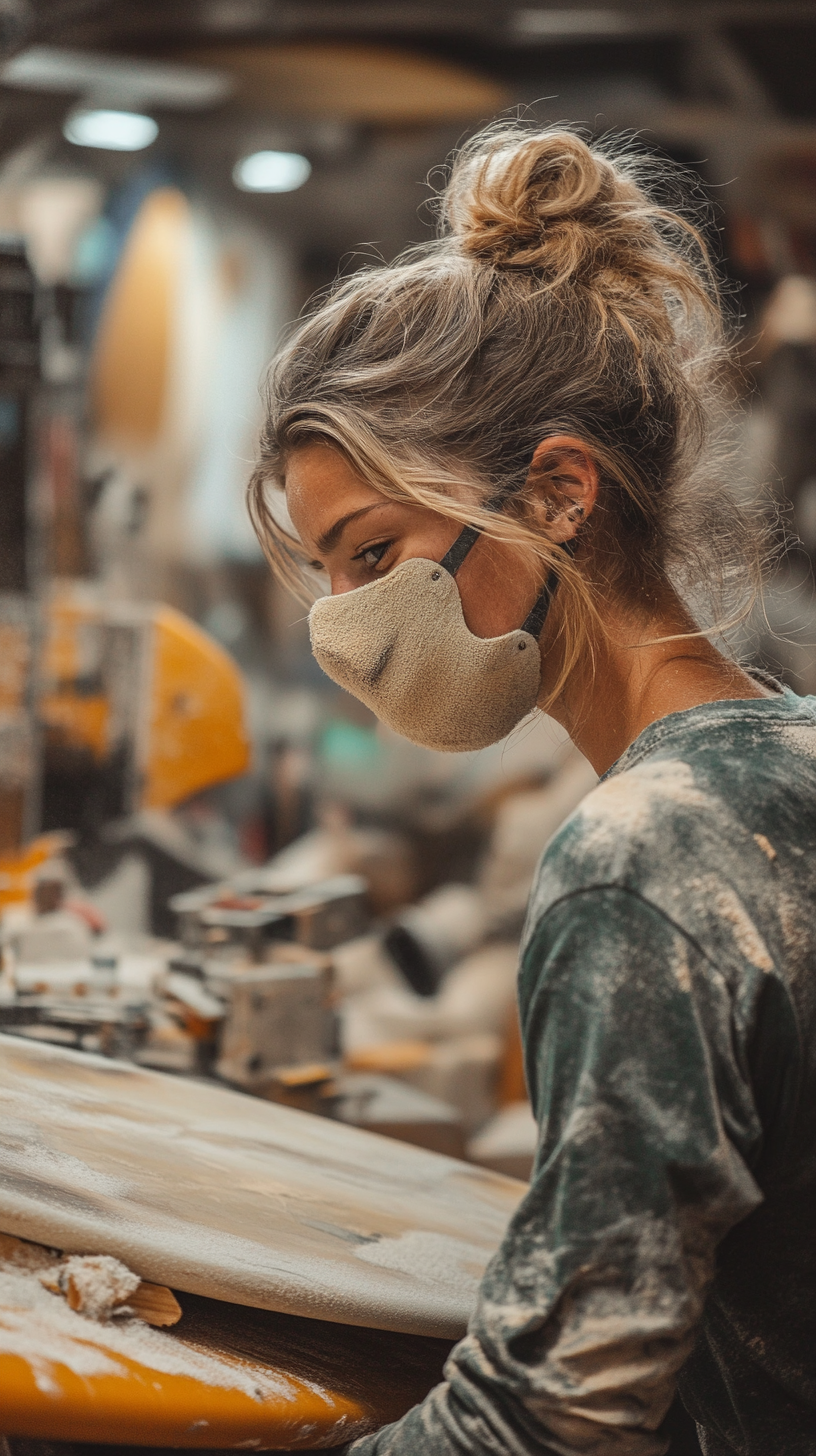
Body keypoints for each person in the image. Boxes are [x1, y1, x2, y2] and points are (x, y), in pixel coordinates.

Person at [248, 125, 816, 1456]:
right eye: (331, 572)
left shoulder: (641, 865)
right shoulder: (788, 759)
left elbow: (558, 1411)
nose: (347, 622)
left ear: (558, 491)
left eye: (373, 551)